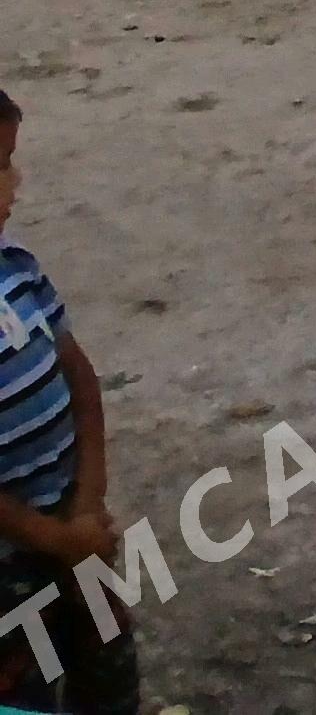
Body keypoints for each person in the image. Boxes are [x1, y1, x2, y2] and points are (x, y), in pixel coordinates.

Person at [0, 92, 139, 714]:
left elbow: (78, 375)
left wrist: (88, 503)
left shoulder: (17, 269)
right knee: (22, 685)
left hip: (71, 517)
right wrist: (56, 540)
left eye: (9, 161)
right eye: (1, 166)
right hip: (11, 558)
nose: (16, 182)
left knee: (105, 654)